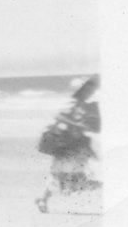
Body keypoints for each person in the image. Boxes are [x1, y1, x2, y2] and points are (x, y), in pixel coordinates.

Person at [35, 76, 100, 213]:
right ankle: (44, 198)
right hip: (67, 143)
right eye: (86, 90)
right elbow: (60, 117)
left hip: (76, 143)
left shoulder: (83, 104)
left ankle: (44, 198)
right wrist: (77, 124)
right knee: (61, 174)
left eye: (89, 90)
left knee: (68, 173)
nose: (89, 92)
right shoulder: (73, 103)